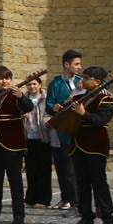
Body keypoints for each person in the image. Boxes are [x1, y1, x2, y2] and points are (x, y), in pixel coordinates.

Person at [0, 66, 35, 224]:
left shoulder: (15, 94)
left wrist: (21, 97)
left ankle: (18, 215)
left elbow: (29, 107)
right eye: (0, 78)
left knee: (15, 180)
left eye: (7, 78)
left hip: (12, 143)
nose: (4, 81)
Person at [68, 66, 113, 224]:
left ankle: (108, 218)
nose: (82, 80)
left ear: (97, 82)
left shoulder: (106, 98)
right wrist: (61, 110)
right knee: (81, 183)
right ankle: (86, 217)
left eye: (86, 78)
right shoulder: (79, 97)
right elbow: (68, 116)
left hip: (95, 145)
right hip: (78, 143)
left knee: (99, 182)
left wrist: (83, 114)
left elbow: (101, 120)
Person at [46, 50, 82, 211]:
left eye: (80, 64)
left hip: (77, 130)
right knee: (61, 166)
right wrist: (54, 107)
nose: (79, 67)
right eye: (76, 64)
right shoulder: (55, 84)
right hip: (61, 130)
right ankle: (65, 197)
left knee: (72, 168)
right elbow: (48, 105)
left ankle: (75, 199)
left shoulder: (82, 82)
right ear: (66, 65)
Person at [22, 76, 52, 207]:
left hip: (43, 137)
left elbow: (50, 113)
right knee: (30, 169)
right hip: (28, 137)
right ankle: (31, 198)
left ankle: (44, 199)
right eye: (29, 84)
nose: (32, 87)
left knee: (44, 169)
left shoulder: (46, 98)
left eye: (34, 84)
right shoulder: (23, 99)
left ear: (39, 85)